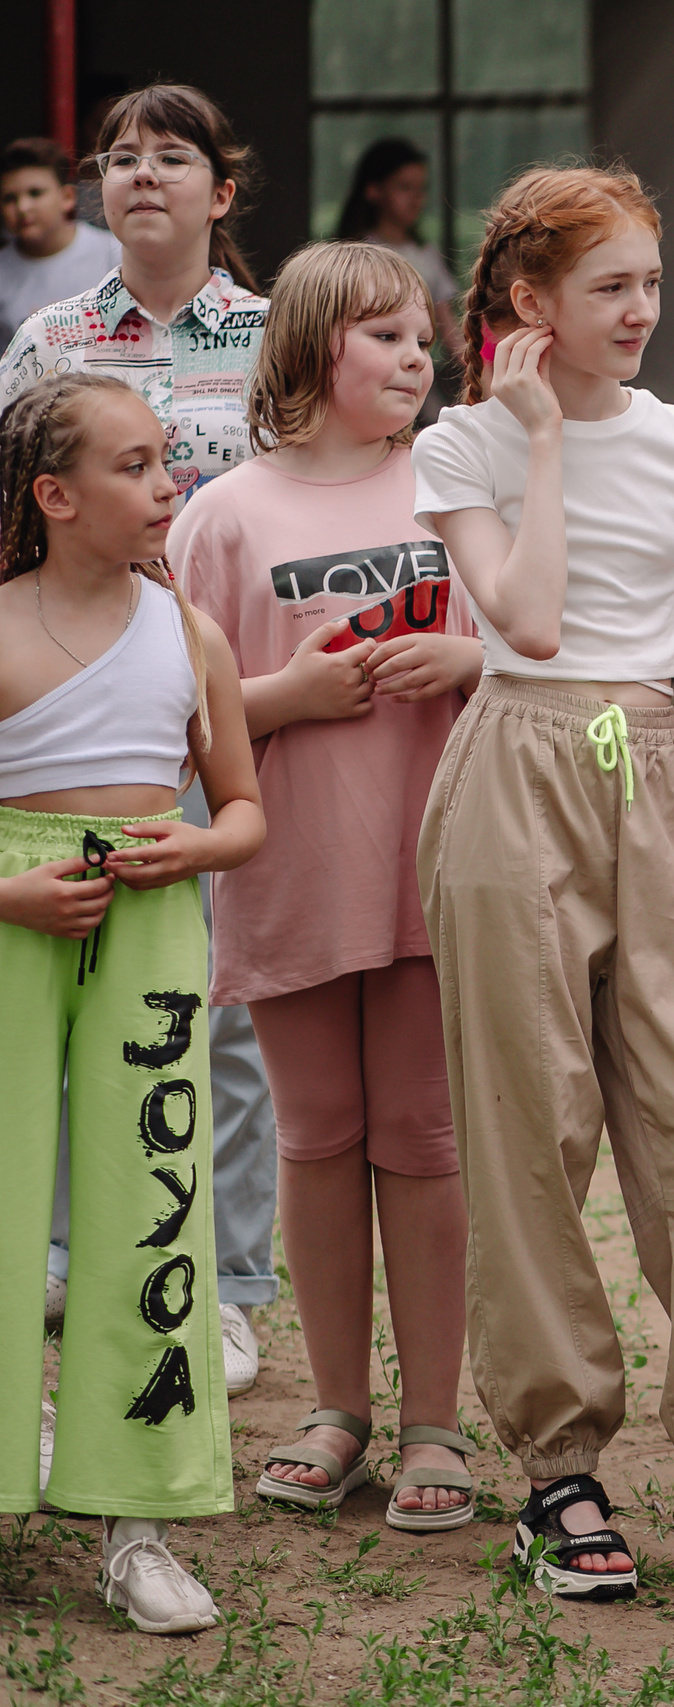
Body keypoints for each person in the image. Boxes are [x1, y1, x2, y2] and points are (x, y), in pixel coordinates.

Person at [412, 163, 674, 1607]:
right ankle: (558, 1471)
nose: (643, 309)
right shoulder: (460, 445)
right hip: (514, 763)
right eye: (611, 287)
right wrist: (532, 438)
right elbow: (520, 614)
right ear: (531, 304)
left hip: (648, 771)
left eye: (651, 281)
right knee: (532, 1134)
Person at [173, 242, 482, 1532]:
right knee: (317, 1135)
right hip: (293, 869)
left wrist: (462, 654)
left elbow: (540, 646)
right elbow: (170, 712)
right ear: (307, 352)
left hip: (437, 868)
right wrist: (285, 699)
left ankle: (436, 1425)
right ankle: (336, 1409)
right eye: (385, 338)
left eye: (422, 339)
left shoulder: (462, 488)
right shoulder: (222, 517)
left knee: (420, 1138)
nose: (417, 360)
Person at [1, 84, 279, 1404]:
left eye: (174, 156)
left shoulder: (279, 336)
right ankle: (62, 1247)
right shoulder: (49, 334)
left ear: (223, 191)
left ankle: (220, 1282)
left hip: (226, 696)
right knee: (57, 985)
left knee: (216, 1011)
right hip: (71, 702)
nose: (141, 174)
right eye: (120, 157)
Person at [0, 371, 265, 1632]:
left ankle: (139, 1522)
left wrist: (196, 852)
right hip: (15, 917)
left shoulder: (192, 634)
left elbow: (245, 808)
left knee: (149, 1211)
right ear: (54, 496)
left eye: (167, 460)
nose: (169, 485)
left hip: (151, 927)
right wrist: (11, 898)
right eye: (135, 466)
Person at [334, 138, 460, 379]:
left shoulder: (426, 254)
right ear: (373, 191)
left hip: (418, 371)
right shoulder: (354, 255)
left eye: (421, 189)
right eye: (404, 187)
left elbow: (448, 328)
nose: (416, 199)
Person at [0, 138, 120, 336]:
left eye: (35, 193)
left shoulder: (113, 253)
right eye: (9, 198)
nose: (22, 208)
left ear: (67, 197)